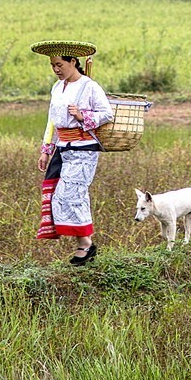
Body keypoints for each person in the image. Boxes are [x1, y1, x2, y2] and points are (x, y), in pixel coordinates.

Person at [31, 40, 114, 265]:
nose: (56, 69)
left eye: (60, 64)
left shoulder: (89, 86)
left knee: (71, 195)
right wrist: (46, 150)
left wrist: (82, 116)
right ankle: (85, 244)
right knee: (58, 196)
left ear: (73, 62)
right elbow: (52, 121)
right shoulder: (57, 88)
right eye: (52, 65)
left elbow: (106, 114)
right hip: (62, 149)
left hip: (83, 150)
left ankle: (85, 245)